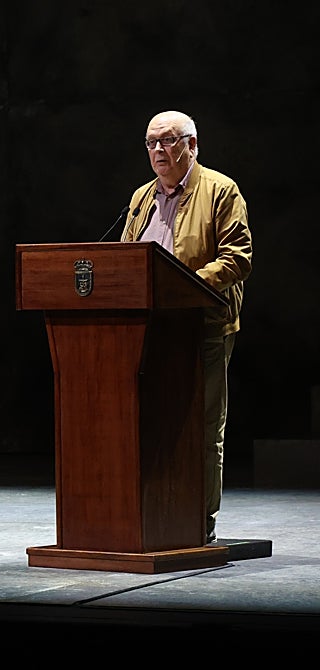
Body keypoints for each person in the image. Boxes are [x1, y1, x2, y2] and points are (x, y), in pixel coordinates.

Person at [121, 110, 252, 543]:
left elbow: (238, 257)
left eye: (168, 141)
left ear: (192, 145)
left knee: (200, 426)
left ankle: (199, 520)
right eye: (151, 143)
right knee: (146, 423)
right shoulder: (141, 197)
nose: (159, 150)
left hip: (203, 326)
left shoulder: (220, 190)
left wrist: (186, 286)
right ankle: (151, 515)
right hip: (148, 329)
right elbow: (125, 259)